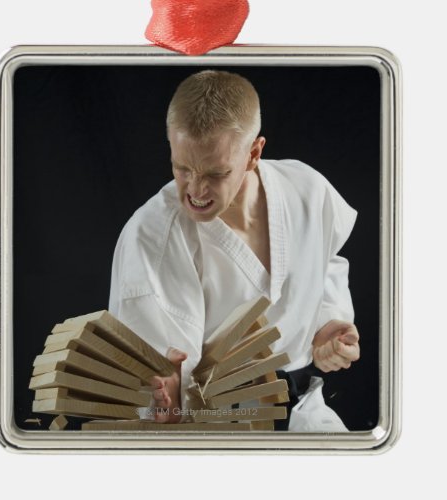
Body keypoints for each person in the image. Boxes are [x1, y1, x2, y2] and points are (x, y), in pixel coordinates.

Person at [108, 70, 360, 431]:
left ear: (254, 153)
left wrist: (329, 324)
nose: (195, 190)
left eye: (215, 173)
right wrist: (163, 395)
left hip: (306, 413)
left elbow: (327, 261)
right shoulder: (152, 236)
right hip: (211, 427)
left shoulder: (306, 190)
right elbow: (150, 381)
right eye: (183, 168)